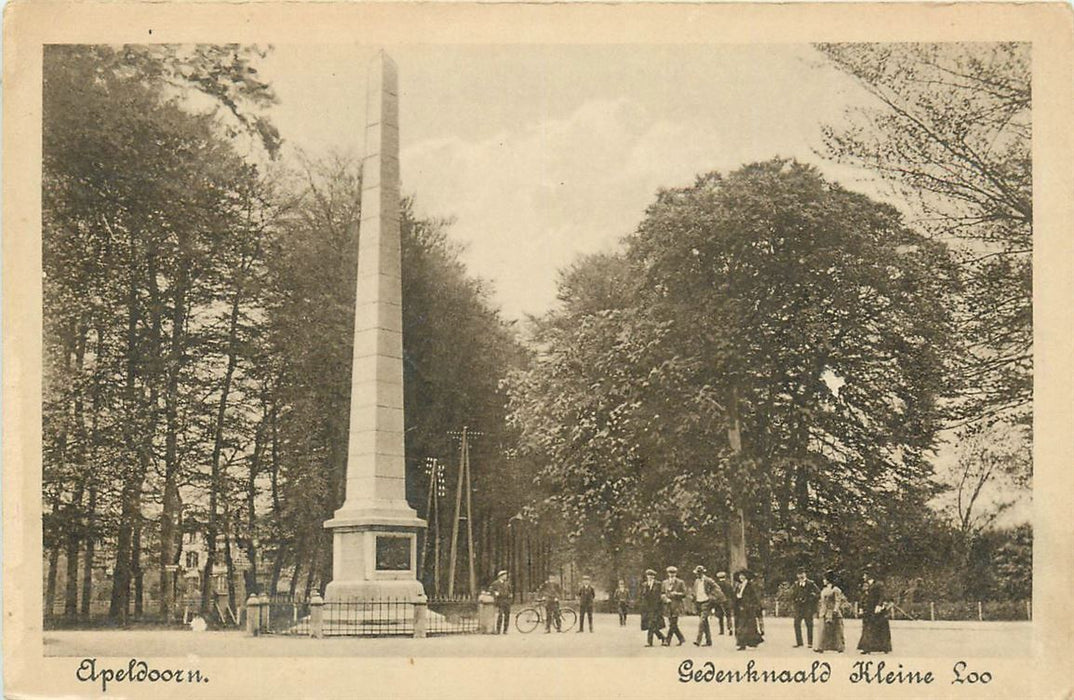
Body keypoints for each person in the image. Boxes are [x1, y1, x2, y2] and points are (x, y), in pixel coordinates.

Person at [857, 571, 892, 653]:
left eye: (865, 575)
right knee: (867, 628)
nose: (863, 577)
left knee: (880, 628)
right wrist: (861, 607)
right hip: (868, 609)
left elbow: (882, 596)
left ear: (870, 575)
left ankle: (884, 647)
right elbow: (863, 597)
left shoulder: (879, 584)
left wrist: (879, 606)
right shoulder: (866, 585)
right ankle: (867, 647)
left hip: (876, 610)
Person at [691, 565, 724, 647]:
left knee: (702, 621)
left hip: (706, 602)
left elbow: (717, 588)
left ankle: (698, 640)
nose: (697, 575)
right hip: (698, 602)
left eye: (699, 573)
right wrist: (693, 597)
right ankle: (709, 641)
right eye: (697, 573)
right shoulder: (696, 581)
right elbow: (694, 591)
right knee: (705, 622)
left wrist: (712, 597)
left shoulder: (708, 580)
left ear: (702, 573)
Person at [815, 570, 846, 653]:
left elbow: (838, 601)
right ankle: (821, 646)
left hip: (832, 611)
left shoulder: (836, 589)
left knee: (837, 630)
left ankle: (839, 647)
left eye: (824, 579)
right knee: (823, 629)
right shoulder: (825, 589)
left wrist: (835, 610)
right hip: (824, 611)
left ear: (828, 579)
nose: (823, 580)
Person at [733, 570, 764, 650]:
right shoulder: (739, 585)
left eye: (742, 576)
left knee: (746, 626)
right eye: (740, 576)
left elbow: (753, 597)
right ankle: (748, 642)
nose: (741, 577)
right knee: (744, 626)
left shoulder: (750, 585)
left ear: (746, 577)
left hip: (748, 608)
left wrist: (751, 606)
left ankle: (744, 643)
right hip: (740, 608)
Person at [791, 568, 821, 648]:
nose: (801, 575)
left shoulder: (811, 583)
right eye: (799, 574)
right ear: (797, 575)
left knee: (809, 625)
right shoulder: (796, 584)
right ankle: (799, 642)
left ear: (805, 574)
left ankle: (810, 643)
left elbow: (818, 594)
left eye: (802, 573)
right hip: (799, 608)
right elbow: (792, 595)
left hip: (808, 608)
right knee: (796, 624)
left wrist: (811, 597)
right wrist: (795, 600)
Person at [661, 565, 687, 646]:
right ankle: (681, 639)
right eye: (670, 573)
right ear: (668, 573)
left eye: (673, 573)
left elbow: (684, 593)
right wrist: (665, 599)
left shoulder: (680, 582)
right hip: (668, 606)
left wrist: (676, 594)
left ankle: (667, 641)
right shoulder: (664, 582)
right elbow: (662, 593)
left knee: (673, 623)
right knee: (673, 624)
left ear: (676, 574)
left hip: (677, 606)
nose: (672, 575)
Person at [640, 569, 666, 647]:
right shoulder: (644, 585)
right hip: (646, 608)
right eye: (648, 575)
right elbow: (642, 595)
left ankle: (649, 642)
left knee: (651, 624)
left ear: (654, 576)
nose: (650, 577)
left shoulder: (658, 584)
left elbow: (660, 596)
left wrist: (661, 608)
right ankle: (663, 638)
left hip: (655, 608)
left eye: (651, 575)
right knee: (651, 625)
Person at [488, 570, 513, 634]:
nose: (506, 576)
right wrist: (495, 593)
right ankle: (498, 630)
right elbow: (490, 590)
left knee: (507, 615)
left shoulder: (507, 583)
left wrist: (510, 596)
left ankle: (505, 630)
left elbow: (510, 591)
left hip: (507, 601)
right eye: (504, 575)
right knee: (500, 615)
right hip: (500, 600)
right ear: (500, 576)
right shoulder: (495, 583)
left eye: (506, 575)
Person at [713, 571, 735, 636]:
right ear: (725, 577)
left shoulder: (717, 585)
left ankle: (721, 630)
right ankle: (730, 628)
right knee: (728, 616)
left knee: (720, 617)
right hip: (728, 602)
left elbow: (715, 594)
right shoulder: (728, 584)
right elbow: (732, 594)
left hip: (719, 602)